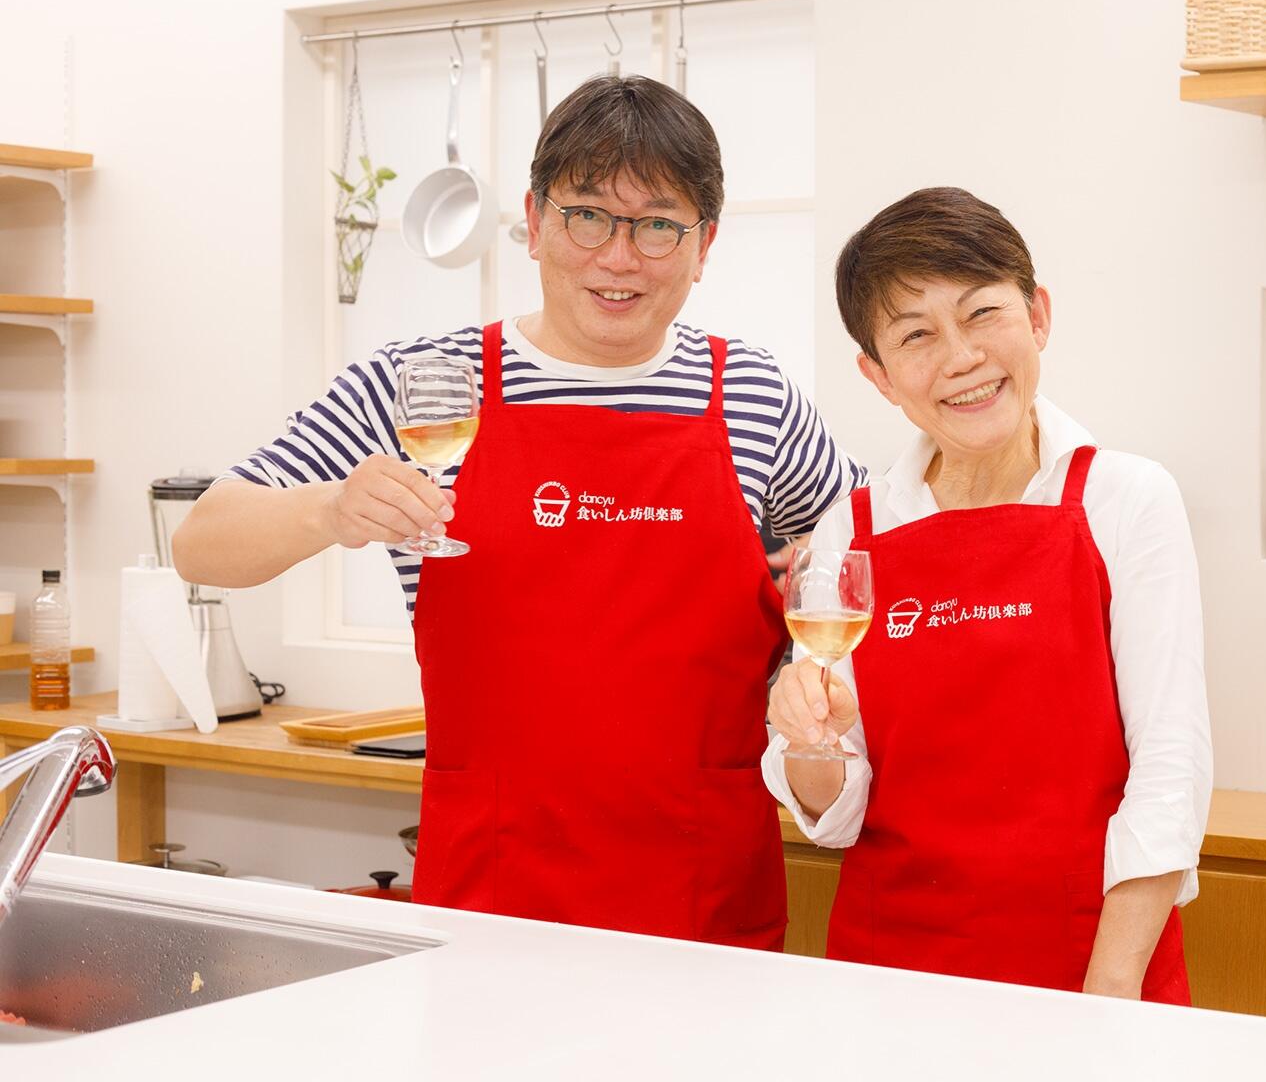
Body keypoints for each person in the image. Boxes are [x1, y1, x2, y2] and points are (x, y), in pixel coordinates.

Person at [175, 75, 862, 950]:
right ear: (534, 223)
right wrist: (332, 510)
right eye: (586, 216)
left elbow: (868, 557)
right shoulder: (423, 382)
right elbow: (201, 543)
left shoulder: (754, 395)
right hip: (492, 900)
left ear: (705, 244)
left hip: (704, 903)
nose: (619, 258)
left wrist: (804, 641)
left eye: (658, 224)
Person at [762, 187, 1211, 1002]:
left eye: (982, 315)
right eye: (916, 336)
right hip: (889, 973)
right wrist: (809, 741)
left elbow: (1170, 765)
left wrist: (1109, 988)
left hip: (1090, 963)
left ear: (1037, 315)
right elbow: (836, 811)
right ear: (879, 375)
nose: (961, 357)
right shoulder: (849, 533)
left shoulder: (1127, 501)